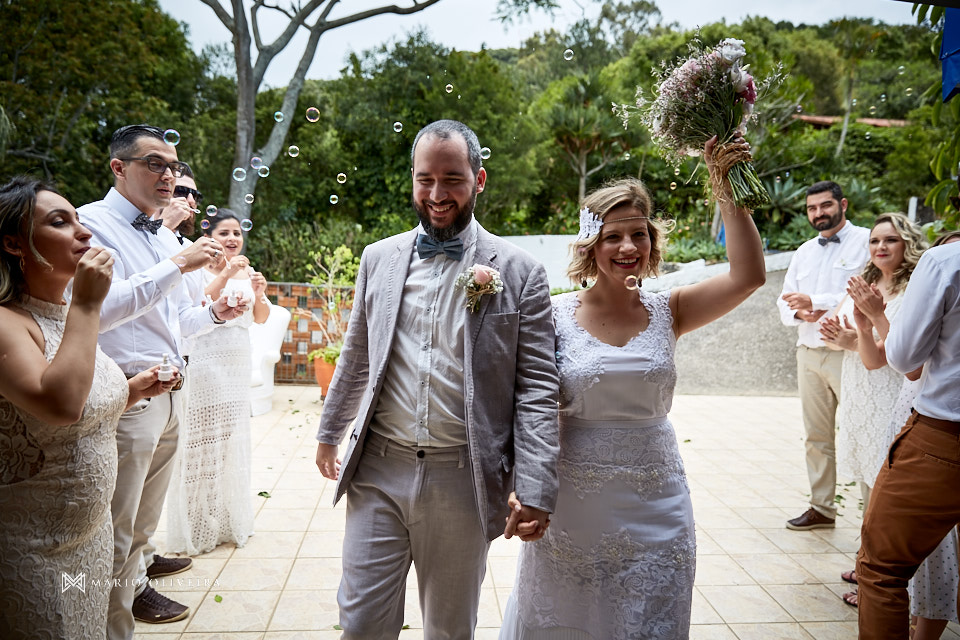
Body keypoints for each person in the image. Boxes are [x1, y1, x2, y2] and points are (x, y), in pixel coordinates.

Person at [499, 134, 766, 639]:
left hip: (657, 496)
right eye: (613, 236)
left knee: (650, 620)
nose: (628, 247)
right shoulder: (551, 316)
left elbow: (749, 275)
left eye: (639, 235)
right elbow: (524, 404)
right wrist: (521, 484)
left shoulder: (673, 309)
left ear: (652, 241)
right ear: (591, 244)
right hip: (573, 500)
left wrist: (725, 182)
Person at [315, 119, 559, 639]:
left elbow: (537, 388)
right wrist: (328, 431)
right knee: (359, 624)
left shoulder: (520, 273)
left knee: (449, 630)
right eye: (425, 178)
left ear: (479, 180)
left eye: (452, 178)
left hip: (462, 480)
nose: (437, 193)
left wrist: (536, 484)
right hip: (377, 471)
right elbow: (357, 354)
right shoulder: (377, 259)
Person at [78, 124, 247, 638]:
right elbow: (98, 312)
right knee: (110, 533)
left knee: (139, 537)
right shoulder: (92, 224)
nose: (168, 175)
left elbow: (175, 325)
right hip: (125, 398)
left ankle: (122, 623)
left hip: (170, 396)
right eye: (154, 164)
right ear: (118, 168)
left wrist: (215, 313)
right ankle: (98, 627)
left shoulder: (162, 234)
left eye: (173, 167)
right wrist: (177, 264)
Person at [0, 177, 177, 638]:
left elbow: (78, 399)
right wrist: (87, 304)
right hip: (32, 547)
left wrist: (134, 390)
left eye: (80, 219)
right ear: (13, 244)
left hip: (90, 539)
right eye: (61, 222)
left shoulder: (62, 313)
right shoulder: (8, 321)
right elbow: (59, 406)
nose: (85, 233)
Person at [855, 222, 960, 638]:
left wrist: (876, 318)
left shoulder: (945, 261)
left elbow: (904, 356)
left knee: (881, 567)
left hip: (944, 438)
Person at [816, 212, 926, 607]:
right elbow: (833, 331)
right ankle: (870, 562)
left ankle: (885, 580)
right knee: (868, 487)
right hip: (860, 393)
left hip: (890, 395)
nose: (880, 247)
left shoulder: (914, 288)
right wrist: (846, 337)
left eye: (890, 240)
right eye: (875, 240)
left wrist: (855, 337)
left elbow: (886, 357)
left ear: (907, 244)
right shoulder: (865, 283)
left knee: (887, 495)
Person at [165, 210, 269, 555]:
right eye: (224, 232)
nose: (232, 239)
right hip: (207, 362)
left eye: (237, 233)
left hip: (237, 363)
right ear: (210, 236)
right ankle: (196, 522)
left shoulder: (247, 272)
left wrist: (260, 292)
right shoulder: (196, 270)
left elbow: (260, 317)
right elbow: (193, 307)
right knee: (201, 444)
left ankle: (226, 518)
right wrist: (226, 271)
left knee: (229, 443)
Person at [777, 181, 870, 531]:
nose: (819, 213)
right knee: (816, 435)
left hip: (850, 354)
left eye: (825, 205)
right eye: (812, 208)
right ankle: (822, 507)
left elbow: (865, 291)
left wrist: (816, 302)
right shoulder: (803, 251)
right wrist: (802, 314)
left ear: (842, 204)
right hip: (808, 353)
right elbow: (784, 300)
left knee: (861, 432)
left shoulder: (866, 242)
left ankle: (871, 518)